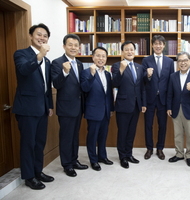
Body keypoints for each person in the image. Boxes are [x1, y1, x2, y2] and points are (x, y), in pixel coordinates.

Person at [12, 23, 54, 190]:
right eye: (39, 34)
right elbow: (23, 70)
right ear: (31, 36)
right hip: (27, 108)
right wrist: (39, 56)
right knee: (28, 143)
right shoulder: (21, 54)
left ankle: (38, 171)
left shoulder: (48, 61)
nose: (42, 38)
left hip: (42, 108)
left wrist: (49, 105)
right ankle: (29, 177)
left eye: (45, 36)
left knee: (39, 143)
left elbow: (46, 85)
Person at [51, 34, 88, 177]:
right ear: (64, 46)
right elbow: (56, 84)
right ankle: (67, 165)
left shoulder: (79, 63)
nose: (73, 47)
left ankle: (74, 160)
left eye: (76, 45)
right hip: (66, 107)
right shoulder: (57, 63)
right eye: (70, 44)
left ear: (79, 47)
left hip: (78, 106)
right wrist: (64, 72)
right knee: (66, 136)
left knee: (74, 136)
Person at [112, 41, 147, 169]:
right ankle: (122, 157)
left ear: (135, 51)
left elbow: (141, 87)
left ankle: (129, 154)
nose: (129, 52)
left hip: (136, 105)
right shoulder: (116, 66)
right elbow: (114, 83)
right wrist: (121, 70)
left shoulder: (139, 67)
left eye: (132, 49)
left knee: (131, 132)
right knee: (123, 132)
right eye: (126, 49)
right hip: (123, 104)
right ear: (122, 52)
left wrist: (143, 103)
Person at [80, 47, 114, 171]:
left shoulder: (107, 73)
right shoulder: (86, 72)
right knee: (92, 137)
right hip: (93, 110)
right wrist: (92, 75)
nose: (101, 59)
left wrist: (111, 109)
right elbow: (85, 88)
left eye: (103, 56)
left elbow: (109, 93)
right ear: (93, 57)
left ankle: (102, 156)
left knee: (103, 136)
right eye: (98, 56)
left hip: (106, 110)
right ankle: (93, 160)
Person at [167, 52, 190, 167]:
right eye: (180, 61)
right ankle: (179, 154)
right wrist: (169, 107)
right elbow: (170, 93)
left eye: (185, 60)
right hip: (176, 108)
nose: (183, 63)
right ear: (177, 63)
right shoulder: (173, 76)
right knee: (177, 134)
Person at [142, 35, 174, 160]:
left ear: (164, 45)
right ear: (152, 45)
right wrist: (148, 75)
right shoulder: (146, 60)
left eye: (160, 44)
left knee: (163, 125)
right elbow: (143, 81)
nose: (158, 46)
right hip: (150, 99)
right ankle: (149, 148)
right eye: (155, 43)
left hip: (164, 100)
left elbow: (171, 82)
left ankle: (160, 148)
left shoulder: (170, 61)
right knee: (148, 125)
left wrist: (170, 103)